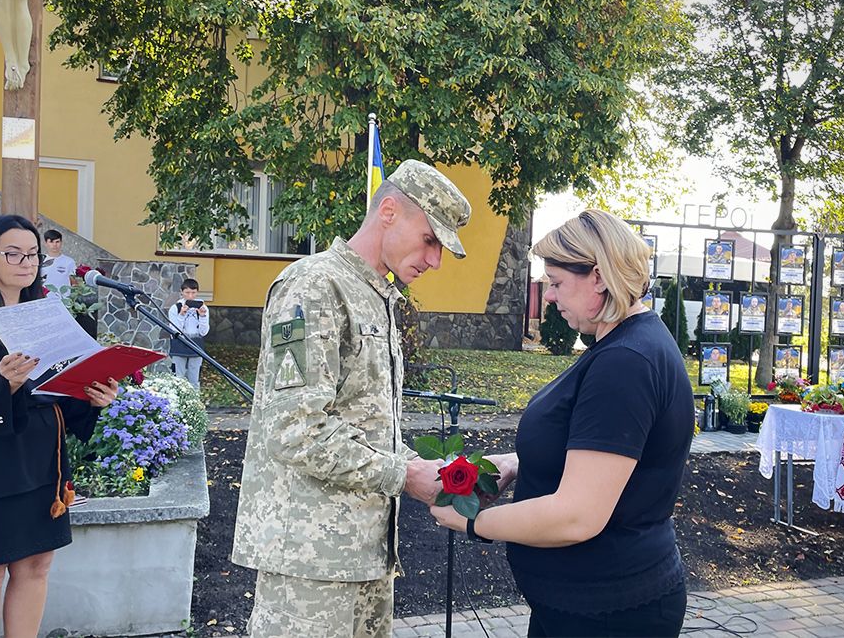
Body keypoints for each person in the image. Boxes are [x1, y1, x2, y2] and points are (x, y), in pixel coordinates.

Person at [231, 160, 474, 637]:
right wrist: (404, 474)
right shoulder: (311, 287)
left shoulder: (375, 294)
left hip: (363, 555)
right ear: (388, 211)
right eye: (430, 240)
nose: (435, 261)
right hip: (309, 563)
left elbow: (365, 425)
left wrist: (425, 468)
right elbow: (296, 430)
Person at [431, 209, 695, 638]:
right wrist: (513, 467)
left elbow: (576, 516)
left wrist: (471, 523)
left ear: (599, 276)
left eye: (555, 282)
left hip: (606, 612)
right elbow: (592, 452)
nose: (548, 296)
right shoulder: (626, 345)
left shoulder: (625, 363)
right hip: (591, 605)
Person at [0, 214, 118, 636]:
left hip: (39, 459)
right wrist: (5, 382)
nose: (25, 262)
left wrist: (91, 398)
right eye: (12, 253)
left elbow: (53, 389)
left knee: (36, 564)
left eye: (31, 253)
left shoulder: (44, 312)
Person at [168, 278, 210, 389]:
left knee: (194, 379)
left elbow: (203, 332)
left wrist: (202, 316)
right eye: (187, 292)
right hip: (179, 344)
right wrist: (182, 315)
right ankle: (177, 403)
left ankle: (194, 404)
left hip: (196, 344)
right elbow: (175, 330)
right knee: (178, 379)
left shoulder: (202, 308)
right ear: (182, 292)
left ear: (197, 292)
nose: (190, 296)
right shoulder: (175, 308)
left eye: (193, 292)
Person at [40, 229, 76, 297]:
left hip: (64, 301)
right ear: (45, 243)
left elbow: (74, 283)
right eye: (51, 242)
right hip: (45, 301)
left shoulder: (69, 262)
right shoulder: (40, 261)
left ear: (61, 242)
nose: (54, 245)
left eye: (57, 242)